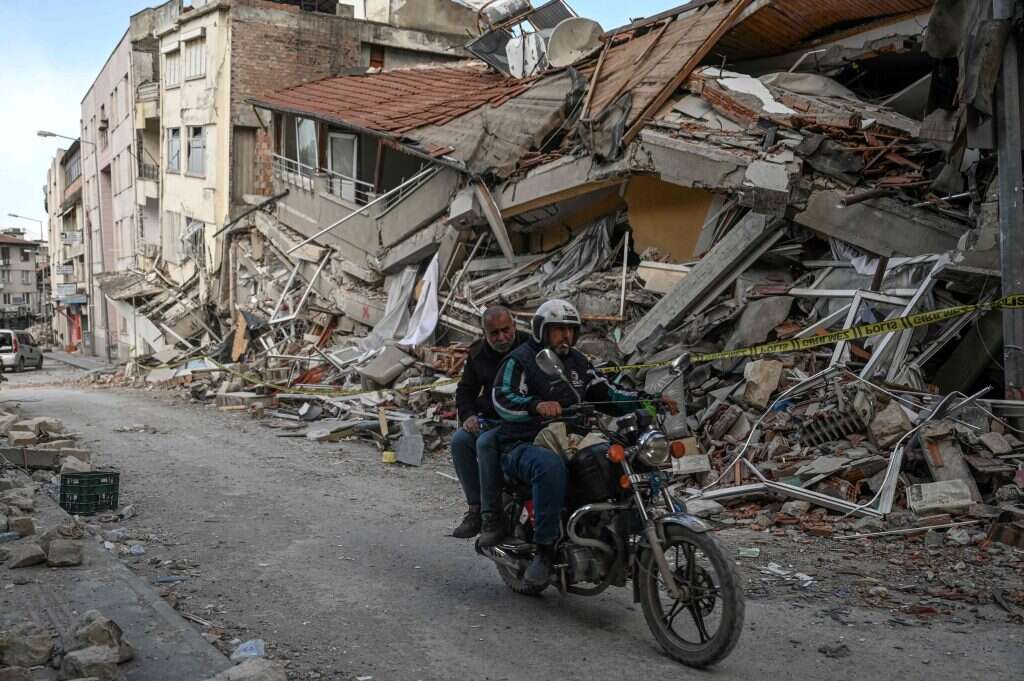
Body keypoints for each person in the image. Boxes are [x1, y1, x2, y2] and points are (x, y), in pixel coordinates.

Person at [492, 299, 677, 586]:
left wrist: (648, 401)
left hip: (570, 438)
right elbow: (502, 398)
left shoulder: (577, 361)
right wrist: (536, 406)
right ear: (542, 331)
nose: (565, 336)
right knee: (550, 467)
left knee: (615, 458)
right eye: (558, 330)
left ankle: (615, 531)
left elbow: (606, 393)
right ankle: (544, 550)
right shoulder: (521, 360)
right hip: (522, 442)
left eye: (570, 330)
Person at [450, 305, 528, 545]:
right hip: (492, 416)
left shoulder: (531, 348)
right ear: (485, 333)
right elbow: (465, 390)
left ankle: (491, 516)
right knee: (460, 441)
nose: (502, 337)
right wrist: (468, 415)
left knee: (486, 443)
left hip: (522, 417)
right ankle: (476, 508)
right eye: (494, 333)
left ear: (514, 326)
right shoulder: (477, 354)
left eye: (506, 330)